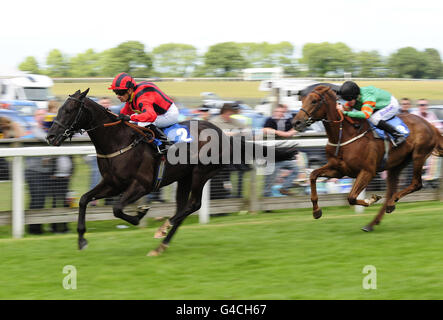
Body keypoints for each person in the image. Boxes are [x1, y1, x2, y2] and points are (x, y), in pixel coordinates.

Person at [108, 73, 179, 154]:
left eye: (120, 92)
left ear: (130, 90)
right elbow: (123, 114)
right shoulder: (131, 96)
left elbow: (151, 116)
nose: (118, 96)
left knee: (141, 123)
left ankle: (166, 145)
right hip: (158, 114)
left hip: (169, 114)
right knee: (131, 122)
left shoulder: (142, 98)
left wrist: (131, 118)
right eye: (116, 92)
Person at [337, 81, 406, 147]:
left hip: (390, 104)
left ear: (355, 97)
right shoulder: (354, 96)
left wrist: (346, 113)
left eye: (349, 100)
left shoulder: (367, 97)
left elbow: (365, 114)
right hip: (378, 104)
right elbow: (347, 107)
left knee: (374, 119)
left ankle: (398, 135)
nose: (348, 102)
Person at [262, 105, 298, 197]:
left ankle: (284, 188)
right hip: (272, 157)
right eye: (278, 111)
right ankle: (267, 203)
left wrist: (290, 132)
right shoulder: (270, 120)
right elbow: (265, 130)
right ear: (274, 111)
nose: (280, 113)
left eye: (282, 112)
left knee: (296, 169)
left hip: (284, 156)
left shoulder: (288, 121)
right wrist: (283, 133)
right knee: (269, 182)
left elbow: (297, 128)